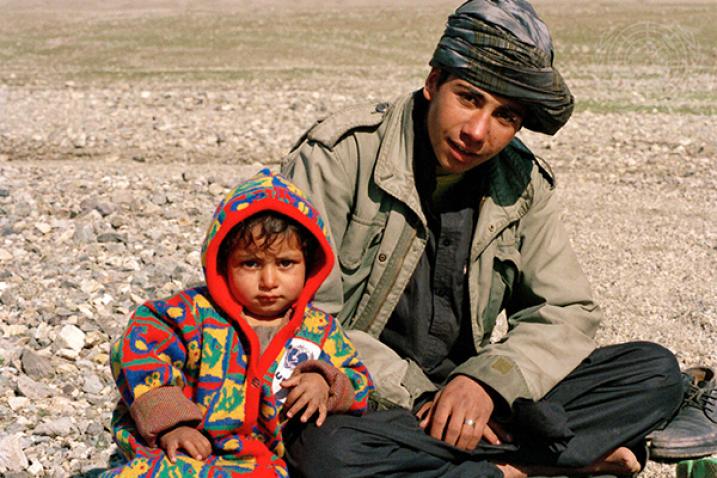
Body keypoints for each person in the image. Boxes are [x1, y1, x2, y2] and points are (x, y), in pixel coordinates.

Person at [281, 1, 691, 476]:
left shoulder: (521, 181)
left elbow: (565, 311)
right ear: (433, 83)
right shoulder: (340, 157)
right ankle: (533, 467)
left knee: (654, 372)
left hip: (476, 403)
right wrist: (426, 398)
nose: (478, 132)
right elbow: (304, 317)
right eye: (469, 98)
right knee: (322, 451)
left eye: (505, 115)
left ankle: (465, 460)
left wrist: (486, 384)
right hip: (365, 392)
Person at [101, 170, 373, 477]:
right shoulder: (192, 314)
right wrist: (172, 425)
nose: (269, 281)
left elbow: (359, 380)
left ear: (308, 264)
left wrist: (326, 383)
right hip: (188, 453)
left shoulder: (320, 330)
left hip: (274, 465)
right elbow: (137, 349)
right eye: (251, 263)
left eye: (285, 263)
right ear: (222, 263)